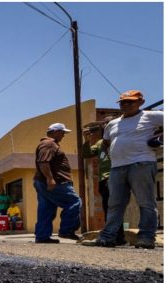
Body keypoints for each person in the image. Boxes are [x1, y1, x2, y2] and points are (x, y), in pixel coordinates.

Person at [95, 90, 163, 249]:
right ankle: (107, 237)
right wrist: (109, 155)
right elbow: (105, 142)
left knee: (145, 202)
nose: (125, 105)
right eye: (123, 102)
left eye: (130, 102)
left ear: (141, 102)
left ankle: (146, 238)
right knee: (115, 204)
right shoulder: (113, 123)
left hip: (142, 164)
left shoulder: (151, 116)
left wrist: (160, 139)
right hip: (117, 168)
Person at [33, 123, 82, 244]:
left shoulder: (48, 144)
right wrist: (50, 179)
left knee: (46, 208)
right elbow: (43, 162)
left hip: (44, 182)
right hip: (56, 182)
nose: (64, 135)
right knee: (74, 202)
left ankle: (42, 236)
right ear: (55, 132)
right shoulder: (49, 144)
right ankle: (67, 230)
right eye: (62, 133)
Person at [81, 118, 126, 245]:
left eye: (108, 123)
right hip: (103, 179)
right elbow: (87, 154)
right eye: (104, 124)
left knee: (116, 207)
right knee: (108, 207)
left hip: (116, 175)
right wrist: (87, 141)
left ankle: (119, 237)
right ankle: (116, 236)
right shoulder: (100, 143)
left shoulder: (120, 138)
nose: (106, 126)